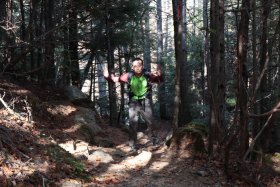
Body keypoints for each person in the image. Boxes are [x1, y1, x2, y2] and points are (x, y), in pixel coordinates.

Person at [103, 57, 163, 151]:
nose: (135, 67)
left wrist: (160, 74)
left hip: (145, 101)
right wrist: (107, 76)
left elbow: (158, 80)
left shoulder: (147, 75)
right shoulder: (129, 75)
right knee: (132, 124)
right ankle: (133, 145)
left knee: (151, 122)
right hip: (133, 102)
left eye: (137, 65)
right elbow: (115, 79)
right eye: (134, 66)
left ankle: (154, 140)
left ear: (142, 66)